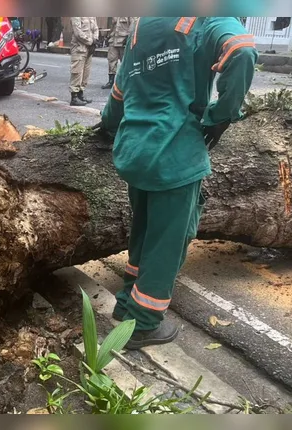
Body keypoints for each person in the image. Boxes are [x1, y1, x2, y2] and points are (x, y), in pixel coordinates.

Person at [94, 17, 257, 349]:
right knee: (167, 244)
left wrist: (107, 125)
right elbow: (241, 50)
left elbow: (120, 91)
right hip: (174, 152)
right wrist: (221, 116)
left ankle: (127, 303)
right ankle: (142, 325)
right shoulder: (206, 17)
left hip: (135, 148)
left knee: (143, 231)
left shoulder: (144, 24)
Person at [69, 17, 98, 106]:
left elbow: (96, 29)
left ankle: (80, 94)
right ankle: (74, 97)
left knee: (86, 72)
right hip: (79, 48)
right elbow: (78, 33)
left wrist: (95, 40)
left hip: (89, 48)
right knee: (77, 72)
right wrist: (90, 41)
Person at [101, 17, 137, 89]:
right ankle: (111, 81)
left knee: (125, 63)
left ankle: (126, 83)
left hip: (123, 41)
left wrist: (128, 37)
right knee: (111, 60)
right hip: (113, 40)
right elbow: (112, 27)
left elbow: (133, 25)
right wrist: (109, 36)